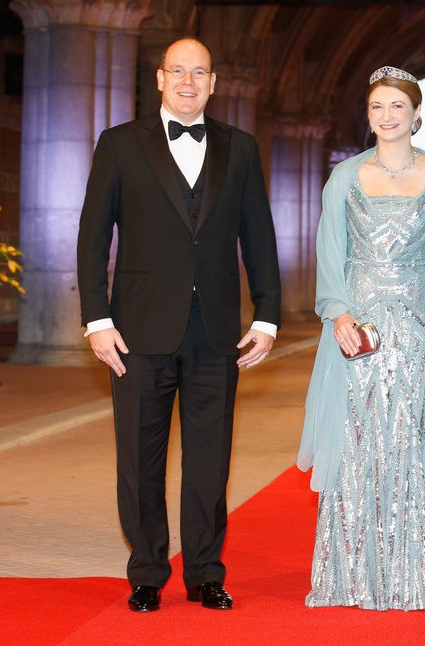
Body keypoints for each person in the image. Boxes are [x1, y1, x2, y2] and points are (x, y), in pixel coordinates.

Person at [76, 37, 281, 613]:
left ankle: (205, 573)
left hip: (217, 331)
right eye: (178, 72)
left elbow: (258, 236)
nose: (189, 82)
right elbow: (93, 237)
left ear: (214, 84)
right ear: (161, 79)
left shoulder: (240, 149)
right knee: (139, 458)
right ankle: (145, 571)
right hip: (136, 331)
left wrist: (265, 314)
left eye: (200, 73)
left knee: (210, 459)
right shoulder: (119, 144)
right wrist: (96, 318)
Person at [296, 65, 425, 610]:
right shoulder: (343, 177)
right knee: (357, 448)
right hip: (358, 335)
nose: (387, 115)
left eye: (398, 106)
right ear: (367, 115)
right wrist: (338, 314)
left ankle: (420, 576)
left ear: (416, 114)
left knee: (415, 445)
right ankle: (351, 576)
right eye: (377, 107)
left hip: (418, 332)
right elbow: (330, 255)